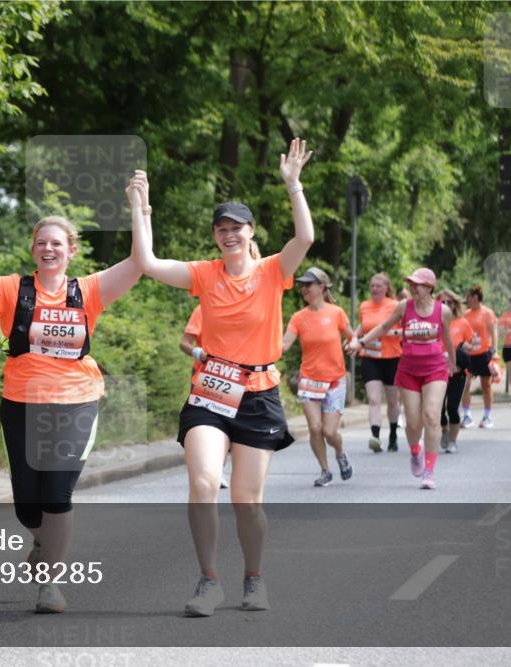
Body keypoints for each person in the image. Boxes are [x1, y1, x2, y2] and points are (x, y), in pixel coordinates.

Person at [132, 138, 314, 616]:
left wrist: (293, 186)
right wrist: (141, 208)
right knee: (204, 484)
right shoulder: (204, 274)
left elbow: (305, 240)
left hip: (258, 394)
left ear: (251, 232)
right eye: (221, 228)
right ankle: (209, 581)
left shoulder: (275, 271)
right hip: (210, 393)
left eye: (237, 227)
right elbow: (147, 264)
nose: (228, 234)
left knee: (247, 501)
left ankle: (253, 579)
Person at [0, 191, 141, 614]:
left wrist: (139, 209)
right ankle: (40, 540)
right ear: (33, 249)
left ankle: (50, 583)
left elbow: (139, 263)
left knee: (56, 492)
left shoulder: (89, 290)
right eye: (41, 242)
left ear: (71, 251)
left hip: (76, 401)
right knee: (27, 505)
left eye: (56, 243)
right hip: (21, 401)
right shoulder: (13, 290)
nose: (48, 249)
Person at [348, 268, 456, 489]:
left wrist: (452, 362)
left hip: (435, 368)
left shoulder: (442, 311)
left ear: (429, 287)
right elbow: (384, 326)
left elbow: (447, 337)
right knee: (414, 422)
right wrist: (361, 342)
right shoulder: (403, 307)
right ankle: (415, 451)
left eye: (418, 284)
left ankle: (429, 471)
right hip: (408, 369)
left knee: (432, 416)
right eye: (411, 283)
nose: (413, 287)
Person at [282, 267, 355, 486]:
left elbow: (352, 337)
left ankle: (340, 454)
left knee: (329, 432)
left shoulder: (336, 313)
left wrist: (352, 344)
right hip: (309, 379)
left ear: (322, 287)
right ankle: (325, 470)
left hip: (334, 380)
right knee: (314, 428)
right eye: (302, 285)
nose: (304, 289)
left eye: (308, 285)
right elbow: (284, 344)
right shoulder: (298, 317)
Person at [353, 273, 404, 452]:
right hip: (370, 357)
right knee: (374, 399)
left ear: (386, 288)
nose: (374, 289)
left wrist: (392, 334)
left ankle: (392, 435)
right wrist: (353, 338)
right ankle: (375, 437)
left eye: (378, 286)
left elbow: (405, 329)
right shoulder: (364, 306)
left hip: (392, 358)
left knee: (392, 401)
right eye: (372, 286)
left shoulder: (395, 305)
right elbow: (363, 326)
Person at [180, 305, 228, 489]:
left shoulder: (245, 307)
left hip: (234, 376)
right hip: (206, 375)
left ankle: (218, 468)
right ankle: (214, 470)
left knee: (227, 422)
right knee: (209, 423)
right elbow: (184, 342)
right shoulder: (202, 310)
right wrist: (197, 352)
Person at [438, 289, 473, 453]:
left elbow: (471, 345)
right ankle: (444, 431)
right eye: (442, 302)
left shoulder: (462, 323)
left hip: (457, 372)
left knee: (452, 407)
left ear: (455, 305)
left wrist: (465, 349)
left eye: (449, 302)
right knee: (437, 408)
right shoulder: (433, 323)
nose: (445, 305)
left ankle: (453, 441)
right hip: (437, 372)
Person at [462, 285, 498, 428]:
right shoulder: (466, 314)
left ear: (475, 297)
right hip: (468, 354)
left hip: (484, 354)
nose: (466, 299)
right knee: (465, 384)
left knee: (486, 386)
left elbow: (494, 333)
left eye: (468, 297)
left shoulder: (487, 313)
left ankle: (487, 417)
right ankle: (467, 415)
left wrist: (494, 351)